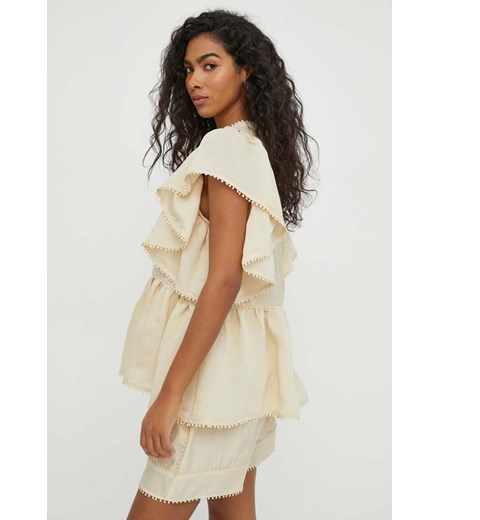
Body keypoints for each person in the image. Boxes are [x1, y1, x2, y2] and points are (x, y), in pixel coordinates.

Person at [119, 9, 318, 520]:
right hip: (242, 382)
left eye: (210, 65)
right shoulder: (251, 147)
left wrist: (169, 397)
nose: (194, 81)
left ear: (245, 70)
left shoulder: (227, 149)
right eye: (188, 69)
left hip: (210, 388)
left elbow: (226, 278)